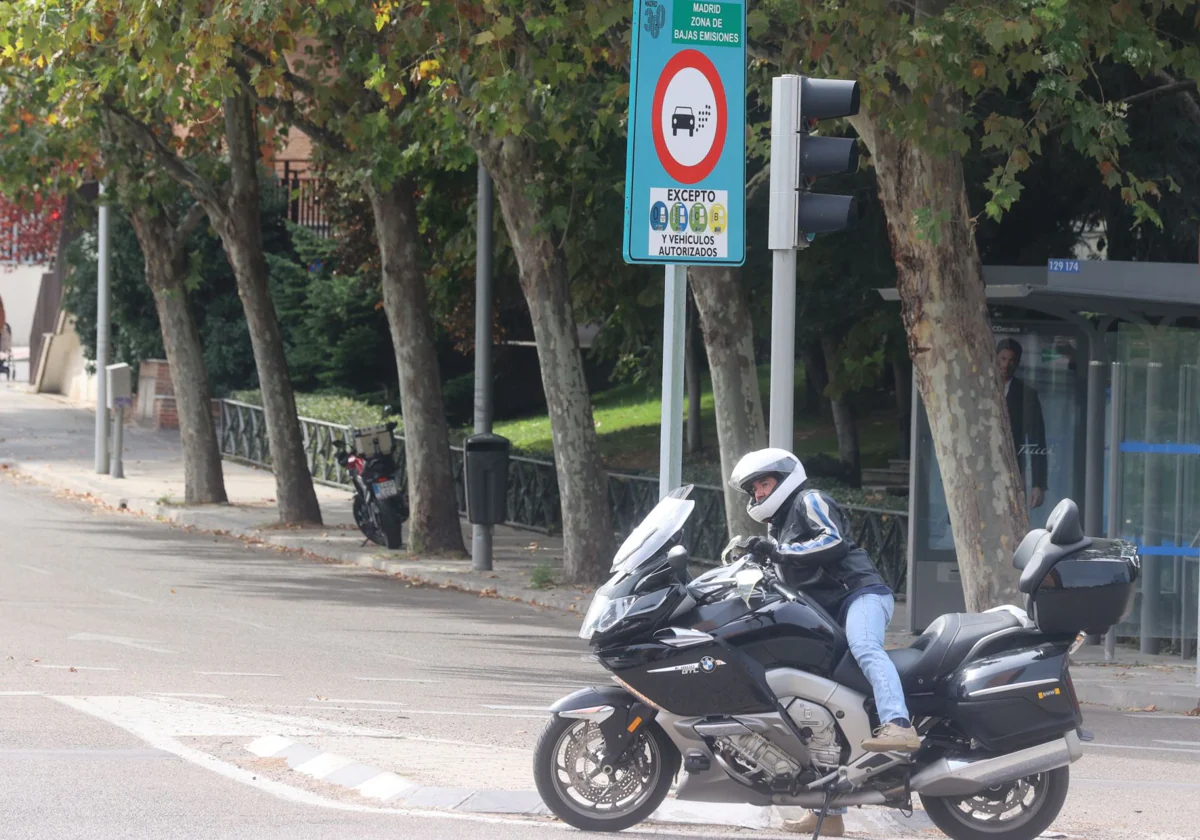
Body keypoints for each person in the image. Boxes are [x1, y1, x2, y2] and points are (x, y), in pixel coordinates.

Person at [729, 448, 919, 838]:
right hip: (827, 612)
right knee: (819, 703)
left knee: (866, 647)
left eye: (764, 483)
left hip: (859, 594)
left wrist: (777, 551)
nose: (759, 492)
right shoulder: (777, 528)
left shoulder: (808, 501)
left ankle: (899, 725)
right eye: (754, 488)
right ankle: (827, 813)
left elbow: (832, 541)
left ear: (783, 480)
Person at [996, 338, 1048, 510]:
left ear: (1017, 363)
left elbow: (1037, 440)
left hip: (1013, 471)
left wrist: (1038, 484)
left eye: (1011, 360)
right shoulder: (980, 390)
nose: (1006, 365)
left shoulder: (1027, 395)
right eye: (1003, 359)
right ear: (996, 358)